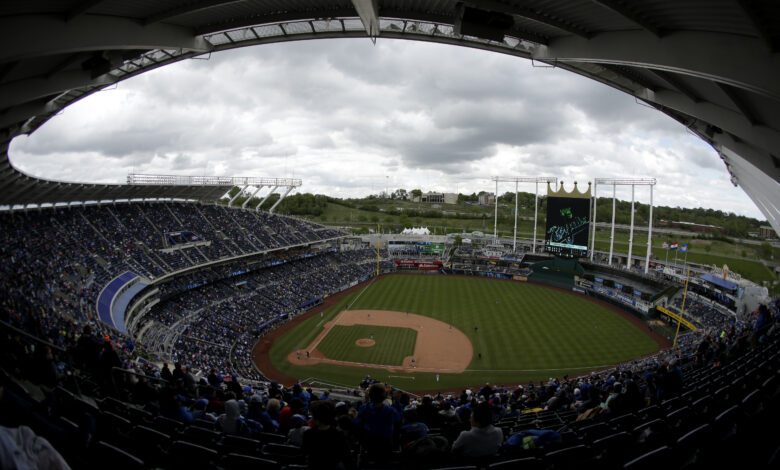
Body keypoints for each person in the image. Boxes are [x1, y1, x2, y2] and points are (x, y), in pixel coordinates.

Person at [302, 400, 353, 469]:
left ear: (318, 419)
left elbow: (304, 453)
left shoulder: (309, 434)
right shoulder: (338, 435)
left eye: (313, 416)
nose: (312, 418)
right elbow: (347, 457)